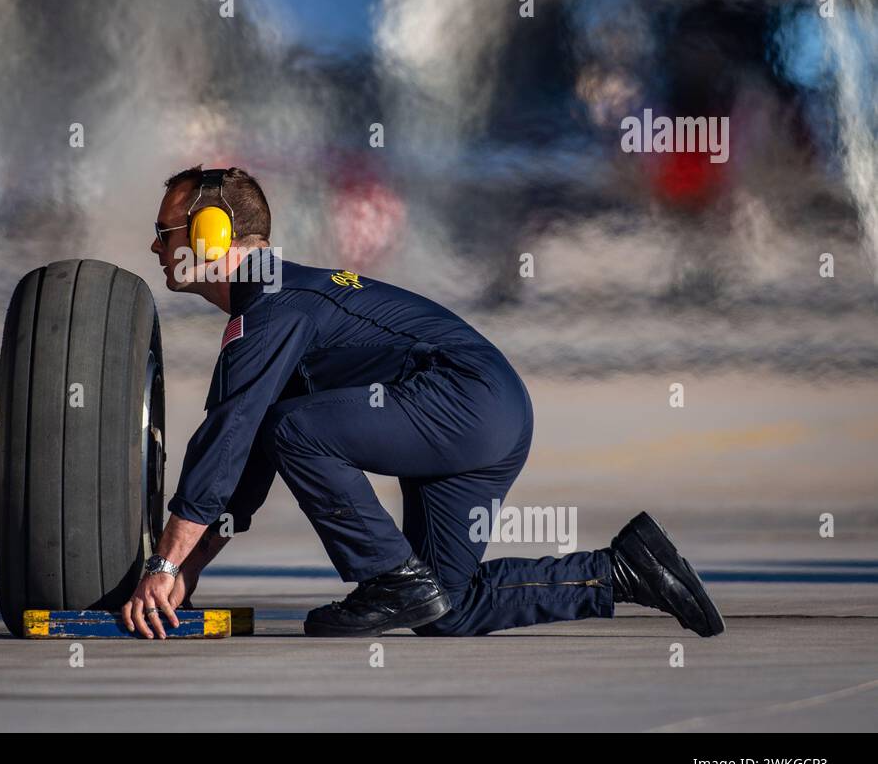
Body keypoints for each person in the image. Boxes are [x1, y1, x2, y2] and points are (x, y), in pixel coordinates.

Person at [121, 166, 725, 641]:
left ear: (212, 235)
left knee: (295, 429)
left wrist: (165, 567)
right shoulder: (281, 303)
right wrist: (192, 566)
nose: (154, 245)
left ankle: (388, 578)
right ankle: (623, 570)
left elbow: (231, 436)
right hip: (487, 411)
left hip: (461, 399)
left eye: (165, 231)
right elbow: (246, 464)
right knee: (447, 607)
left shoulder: (274, 309)